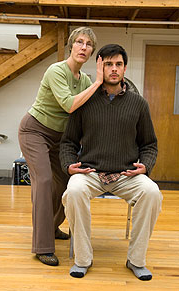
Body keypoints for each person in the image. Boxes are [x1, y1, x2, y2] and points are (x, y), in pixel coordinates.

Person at [59, 44, 163, 280]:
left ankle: (136, 260)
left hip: (126, 175)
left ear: (125, 68)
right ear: (99, 67)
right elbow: (68, 143)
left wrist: (145, 165)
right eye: (108, 64)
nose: (113, 69)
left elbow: (149, 144)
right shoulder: (84, 102)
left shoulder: (139, 104)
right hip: (90, 173)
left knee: (152, 192)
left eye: (118, 64)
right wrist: (69, 164)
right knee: (73, 190)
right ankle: (83, 259)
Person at [18, 27, 103, 266]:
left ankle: (52, 226)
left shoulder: (84, 80)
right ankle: (42, 246)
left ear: (91, 52)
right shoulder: (56, 70)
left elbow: (91, 112)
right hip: (35, 131)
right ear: (71, 45)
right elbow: (68, 105)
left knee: (68, 183)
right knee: (44, 181)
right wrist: (98, 81)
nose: (83, 47)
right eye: (79, 42)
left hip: (60, 138)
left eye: (88, 44)